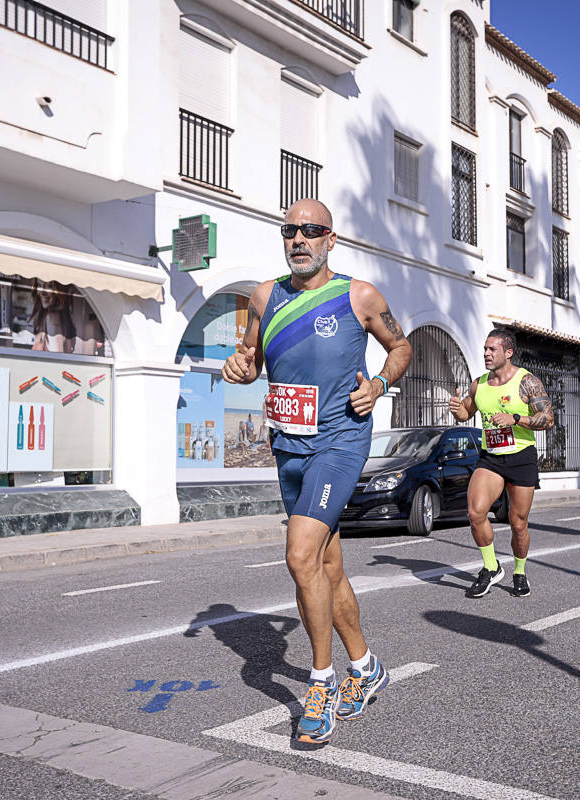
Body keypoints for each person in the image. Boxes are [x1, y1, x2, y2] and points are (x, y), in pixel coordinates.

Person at [221, 198, 412, 745]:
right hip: (289, 445)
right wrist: (239, 366)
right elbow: (250, 359)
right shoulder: (264, 296)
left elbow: (400, 346)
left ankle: (321, 685)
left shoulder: (359, 295)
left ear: (332, 239)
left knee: (300, 554)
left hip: (339, 442)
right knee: (327, 566)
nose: (299, 238)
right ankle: (367, 665)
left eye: (312, 230)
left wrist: (378, 385)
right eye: (291, 230)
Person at [448, 330, 555, 599]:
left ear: (508, 352)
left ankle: (519, 571)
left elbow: (548, 419)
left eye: (492, 349)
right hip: (491, 458)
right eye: (485, 348)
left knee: (518, 523)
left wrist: (516, 418)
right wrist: (456, 407)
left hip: (521, 457)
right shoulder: (479, 384)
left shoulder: (526, 381)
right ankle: (491, 567)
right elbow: (465, 413)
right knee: (476, 513)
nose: (486, 353)